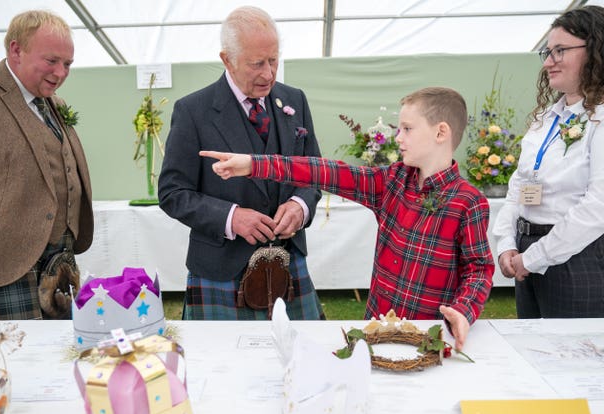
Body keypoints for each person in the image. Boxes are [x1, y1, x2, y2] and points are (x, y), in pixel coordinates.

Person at [200, 86, 494, 350]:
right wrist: (254, 164)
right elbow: (324, 171)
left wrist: (464, 309)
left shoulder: (468, 202)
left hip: (428, 339)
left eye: (407, 128)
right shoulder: (390, 182)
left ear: (440, 133)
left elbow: (478, 269)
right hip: (375, 332)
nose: (398, 136)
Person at [158, 6, 324, 320]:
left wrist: (300, 205)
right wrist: (231, 218)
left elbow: (314, 174)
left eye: (274, 60)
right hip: (221, 270)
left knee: (301, 362)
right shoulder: (193, 111)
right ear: (227, 59)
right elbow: (172, 193)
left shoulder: (295, 100)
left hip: (289, 264)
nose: (269, 73)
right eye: (257, 63)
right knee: (218, 367)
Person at [0, 10, 94, 320]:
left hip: (58, 266)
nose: (61, 73)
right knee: (6, 364)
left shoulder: (55, 103)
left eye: (68, 64)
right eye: (51, 61)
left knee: (56, 359)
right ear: (16, 50)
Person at [493, 5, 604, 319]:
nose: (548, 62)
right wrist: (506, 243)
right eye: (547, 51)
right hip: (528, 254)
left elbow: (598, 208)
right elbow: (520, 185)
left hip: (578, 257)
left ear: (596, 51)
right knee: (532, 355)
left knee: (574, 362)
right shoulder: (546, 118)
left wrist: (536, 256)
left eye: (560, 51)